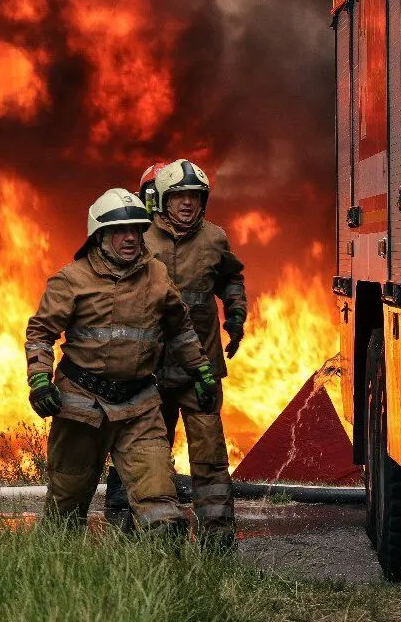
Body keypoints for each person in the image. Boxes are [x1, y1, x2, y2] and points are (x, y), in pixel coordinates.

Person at [24, 187, 221, 536]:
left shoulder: (158, 276)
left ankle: (160, 587)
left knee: (163, 513)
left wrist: (201, 370)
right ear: (99, 235)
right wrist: (39, 380)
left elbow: (181, 330)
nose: (130, 237)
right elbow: (41, 333)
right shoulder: (70, 280)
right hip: (81, 407)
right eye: (119, 230)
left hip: (139, 407)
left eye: (136, 229)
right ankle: (54, 579)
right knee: (65, 511)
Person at [104, 159, 248, 549]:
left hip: (199, 369)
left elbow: (231, 276)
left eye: (195, 196)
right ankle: (146, 533)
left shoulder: (215, 238)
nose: (187, 203)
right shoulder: (139, 237)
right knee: (148, 453)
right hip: (148, 371)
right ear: (161, 200)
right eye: (179, 196)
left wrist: (236, 312)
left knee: (210, 454)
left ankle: (217, 537)